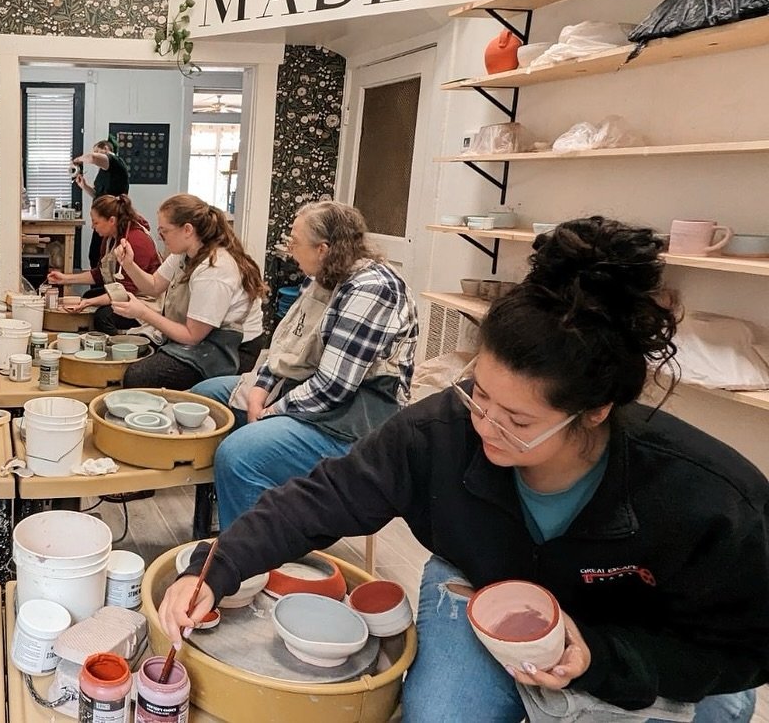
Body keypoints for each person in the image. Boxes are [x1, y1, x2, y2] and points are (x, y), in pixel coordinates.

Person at [160, 217, 768, 723]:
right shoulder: (441, 431)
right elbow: (322, 499)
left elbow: (745, 647)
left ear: (596, 411)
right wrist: (220, 570)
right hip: (479, 579)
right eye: (480, 395)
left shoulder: (707, 495)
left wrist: (608, 658)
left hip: (639, 633)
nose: (484, 426)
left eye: (519, 421)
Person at [190, 201, 418, 527]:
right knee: (204, 398)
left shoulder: (372, 290)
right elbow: (287, 344)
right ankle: (224, 517)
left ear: (323, 249)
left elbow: (333, 387)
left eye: (294, 242)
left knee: (238, 454)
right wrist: (260, 389)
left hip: (356, 419)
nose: (289, 249)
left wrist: (270, 412)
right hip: (312, 389)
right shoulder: (324, 275)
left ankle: (247, 556)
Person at [113, 194, 266, 391]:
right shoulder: (184, 253)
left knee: (139, 376)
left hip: (233, 348)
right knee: (136, 351)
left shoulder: (214, 269)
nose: (162, 238)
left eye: (164, 232)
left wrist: (142, 312)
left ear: (187, 230)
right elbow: (153, 285)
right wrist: (129, 264)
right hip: (202, 335)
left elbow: (192, 336)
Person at [47, 194, 161, 335]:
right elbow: (100, 273)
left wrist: (88, 303)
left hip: (145, 300)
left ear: (111, 220)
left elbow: (126, 291)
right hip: (125, 291)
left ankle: (121, 345)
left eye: (96, 222)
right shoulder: (110, 238)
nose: (92, 227)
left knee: (103, 317)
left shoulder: (137, 241)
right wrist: (65, 278)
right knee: (89, 295)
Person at [73, 139, 131, 268]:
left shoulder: (114, 162)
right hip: (102, 216)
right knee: (95, 255)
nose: (96, 155)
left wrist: (77, 160)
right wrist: (84, 186)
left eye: (97, 151)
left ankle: (103, 286)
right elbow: (98, 195)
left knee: (104, 257)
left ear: (105, 149)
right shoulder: (104, 171)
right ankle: (97, 285)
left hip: (112, 217)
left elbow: (92, 157)